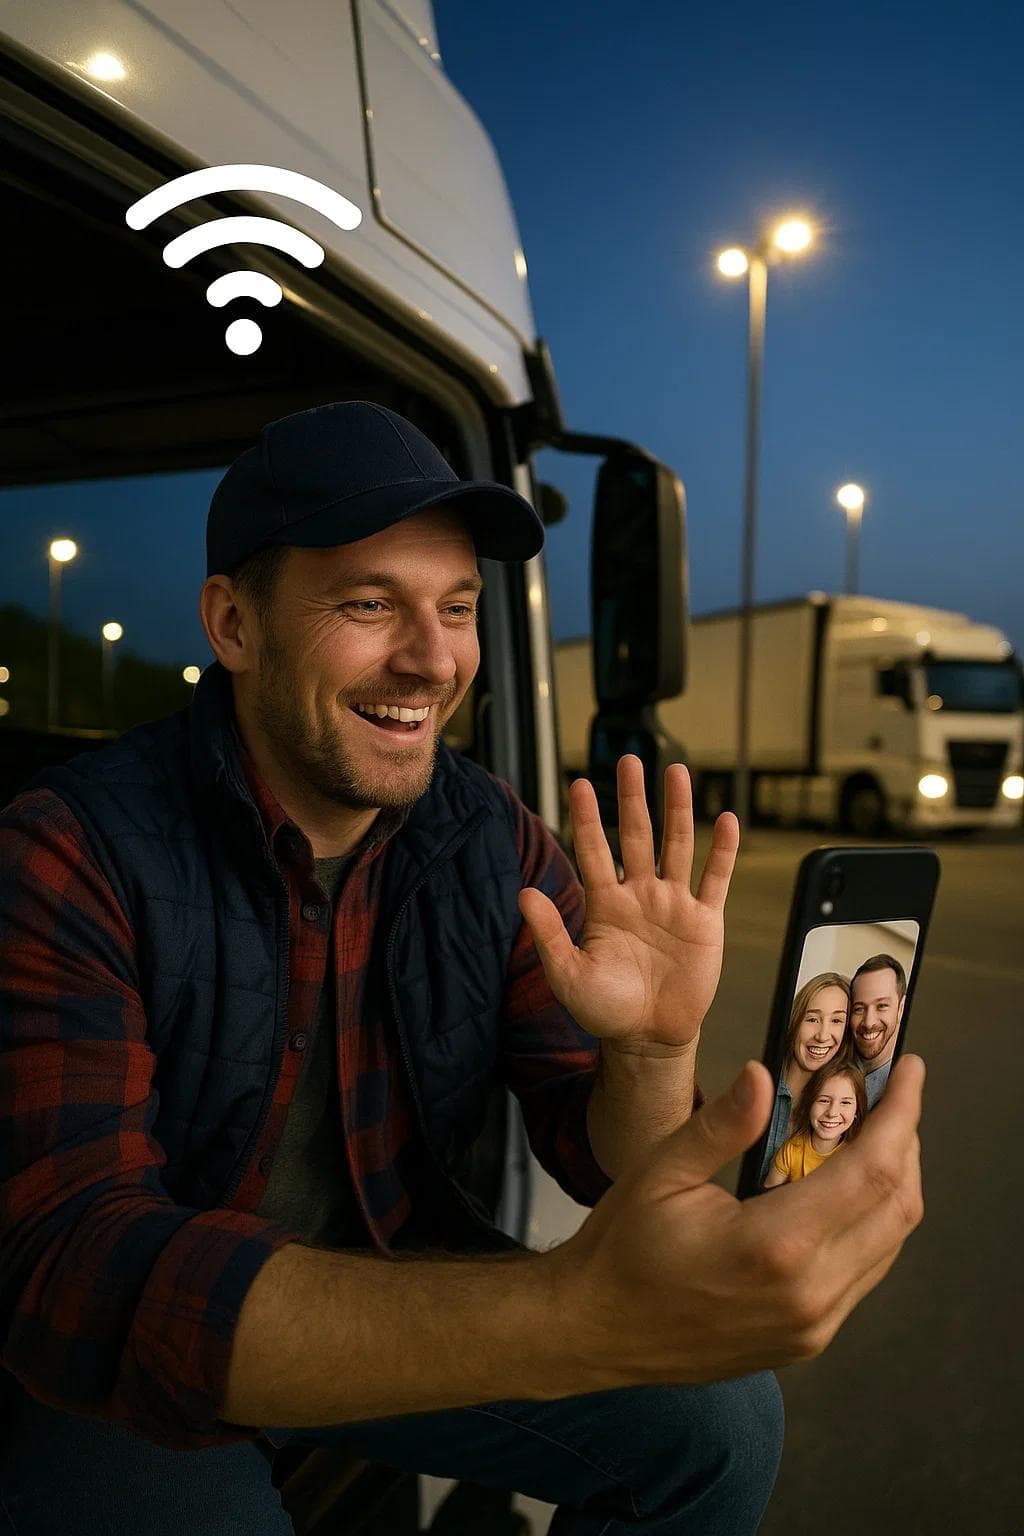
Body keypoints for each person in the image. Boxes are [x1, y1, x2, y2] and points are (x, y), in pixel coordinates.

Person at [0, 401, 926, 1536]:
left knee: (724, 1423)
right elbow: (76, 1263)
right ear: (233, 625)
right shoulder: (71, 848)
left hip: (392, 1285)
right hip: (142, 1351)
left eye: (455, 608)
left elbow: (610, 1166)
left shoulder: (490, 838)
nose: (433, 659)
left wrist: (650, 1049)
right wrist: (571, 1313)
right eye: (368, 603)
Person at [759, 972, 852, 1185]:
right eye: (812, 1019)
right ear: (794, 1021)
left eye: (836, 1020)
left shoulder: (839, 1112)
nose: (822, 1035)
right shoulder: (761, 1079)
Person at [763, 1063, 868, 1187]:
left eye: (845, 1102)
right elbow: (768, 1195)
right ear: (809, 1104)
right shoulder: (791, 1150)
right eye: (824, 1100)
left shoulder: (857, 1157)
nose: (832, 1113)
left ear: (857, 1111)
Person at [851, 953, 908, 1107]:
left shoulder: (904, 1088)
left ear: (901, 1008)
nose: (869, 1023)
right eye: (859, 1008)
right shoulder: (830, 1066)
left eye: (881, 1006)